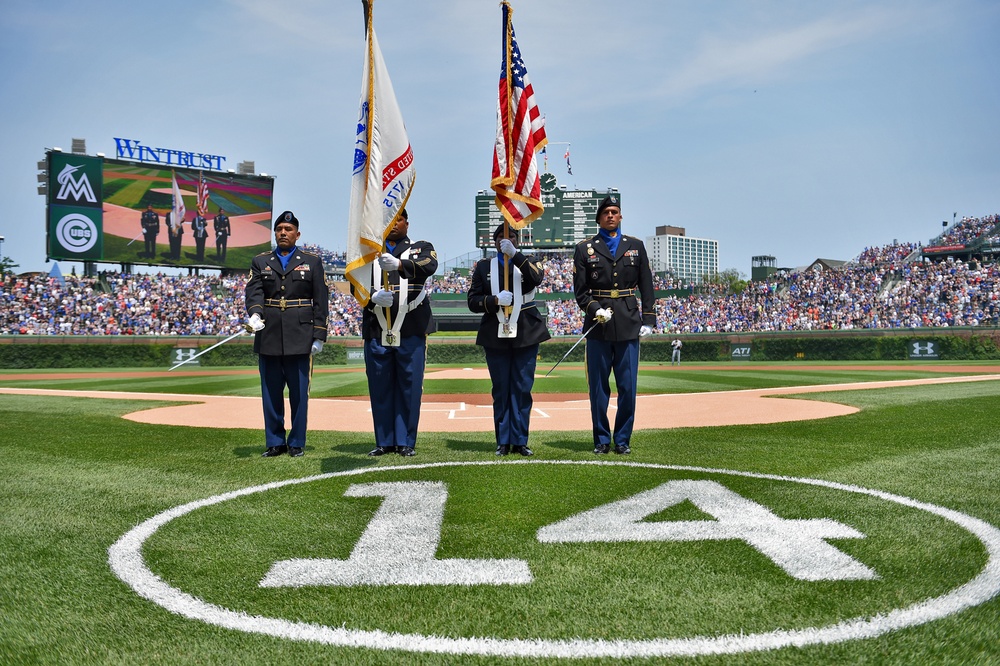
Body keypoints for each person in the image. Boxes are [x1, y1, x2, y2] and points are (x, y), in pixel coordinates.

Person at [573, 195, 655, 455]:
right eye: (606, 212)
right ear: (599, 218)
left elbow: (647, 285)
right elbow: (581, 291)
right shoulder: (584, 248)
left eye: (615, 211)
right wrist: (596, 309)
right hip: (598, 326)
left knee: (628, 387)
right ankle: (601, 439)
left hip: (629, 322)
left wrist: (649, 319)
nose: (611, 215)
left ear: (620, 217)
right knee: (598, 388)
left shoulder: (636, 246)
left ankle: (622, 440)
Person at [244, 211, 329, 458]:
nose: (283, 232)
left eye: (288, 229)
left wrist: (319, 334)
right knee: (270, 392)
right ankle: (275, 441)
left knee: (299, 392)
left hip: (300, 334)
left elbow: (321, 300)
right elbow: (254, 292)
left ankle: (296, 442)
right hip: (268, 333)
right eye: (279, 228)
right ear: (275, 232)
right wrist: (255, 314)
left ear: (297, 234)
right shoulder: (260, 261)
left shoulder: (312, 262)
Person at [356, 208, 437, 457]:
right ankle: (385, 441)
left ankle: (405, 441)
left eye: (399, 218)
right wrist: (371, 299)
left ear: (406, 223)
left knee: (409, 387)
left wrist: (400, 263)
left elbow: (429, 265)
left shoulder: (420, 247)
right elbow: (355, 284)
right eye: (389, 219)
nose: (394, 223)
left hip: (411, 326)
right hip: (377, 326)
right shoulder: (368, 253)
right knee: (380, 385)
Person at [468, 223, 549, 456]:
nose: (507, 240)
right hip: (496, 331)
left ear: (517, 240)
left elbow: (536, 278)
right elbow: (473, 301)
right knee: (501, 389)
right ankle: (503, 440)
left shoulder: (530, 260)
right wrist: (494, 300)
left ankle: (520, 440)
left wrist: (516, 256)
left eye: (512, 237)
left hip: (525, 331)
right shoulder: (484, 266)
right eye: (502, 238)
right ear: (494, 243)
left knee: (522, 388)